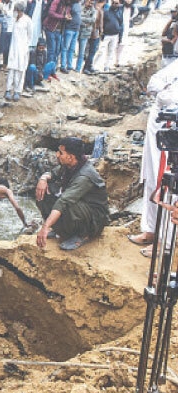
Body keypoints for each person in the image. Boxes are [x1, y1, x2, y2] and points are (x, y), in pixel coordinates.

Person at [127, 61, 178, 256]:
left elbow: (169, 98)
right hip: (156, 130)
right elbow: (153, 83)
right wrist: (162, 92)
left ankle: (164, 242)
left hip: (171, 133)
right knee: (150, 179)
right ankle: (150, 229)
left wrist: (163, 92)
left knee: (166, 185)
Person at [35, 137, 109, 250]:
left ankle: (83, 234)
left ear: (71, 157)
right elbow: (53, 174)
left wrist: (45, 227)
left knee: (67, 202)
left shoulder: (85, 176)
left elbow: (64, 201)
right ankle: (62, 230)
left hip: (94, 219)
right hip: (80, 207)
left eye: (61, 153)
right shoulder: (70, 166)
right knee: (44, 191)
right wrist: (43, 179)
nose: (57, 155)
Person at [6, 2, 33, 101]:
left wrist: (25, 48)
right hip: (13, 48)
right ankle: (8, 89)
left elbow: (30, 36)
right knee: (11, 70)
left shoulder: (27, 20)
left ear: (20, 11)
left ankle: (17, 91)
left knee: (20, 71)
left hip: (22, 49)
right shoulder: (14, 20)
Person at [96, 0, 123, 72]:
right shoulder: (107, 12)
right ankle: (95, 65)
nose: (114, 4)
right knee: (101, 51)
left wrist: (120, 36)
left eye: (116, 3)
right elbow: (102, 22)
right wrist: (102, 32)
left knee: (110, 52)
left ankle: (106, 66)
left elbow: (121, 24)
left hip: (115, 35)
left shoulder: (120, 12)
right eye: (113, 3)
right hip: (106, 35)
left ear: (119, 4)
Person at [76, 0, 97, 73]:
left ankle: (78, 69)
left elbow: (93, 20)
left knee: (81, 53)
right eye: (89, 2)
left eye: (92, 3)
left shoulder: (94, 10)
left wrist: (82, 19)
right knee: (70, 49)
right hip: (77, 30)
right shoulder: (80, 7)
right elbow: (78, 18)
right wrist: (85, 23)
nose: (90, 4)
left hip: (85, 33)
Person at [61, 0, 82, 72]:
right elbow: (66, 15)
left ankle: (69, 65)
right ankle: (63, 65)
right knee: (65, 48)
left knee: (72, 49)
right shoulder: (70, 5)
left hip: (76, 29)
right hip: (69, 29)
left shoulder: (79, 5)